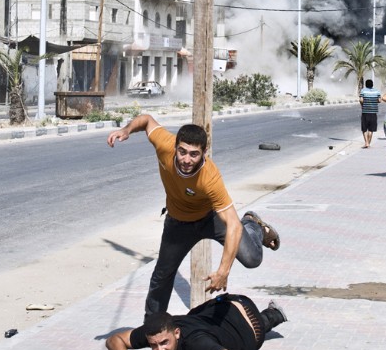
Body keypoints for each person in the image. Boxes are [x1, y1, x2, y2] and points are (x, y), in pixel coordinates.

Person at [107, 115, 281, 317]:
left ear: (203, 153)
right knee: (161, 276)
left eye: (193, 154)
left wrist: (223, 271)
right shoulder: (165, 144)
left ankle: (252, 224)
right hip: (178, 223)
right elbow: (146, 120)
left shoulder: (210, 178)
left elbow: (232, 224)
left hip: (210, 219)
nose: (186, 160)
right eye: (182, 152)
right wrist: (127, 130)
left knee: (252, 259)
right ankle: (152, 328)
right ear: (176, 147)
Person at [106, 293, 288, 350]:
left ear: (176, 333)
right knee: (195, 314)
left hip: (249, 326)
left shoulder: (196, 343)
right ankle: (273, 313)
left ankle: (272, 315)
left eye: (164, 343)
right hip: (217, 312)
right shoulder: (157, 330)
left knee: (250, 335)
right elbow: (114, 340)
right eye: (154, 345)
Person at [358, 79, 382, 148]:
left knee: (364, 128)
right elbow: (379, 100)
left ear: (365, 84)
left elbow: (361, 100)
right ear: (372, 84)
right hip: (373, 112)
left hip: (365, 112)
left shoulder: (363, 91)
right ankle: (368, 143)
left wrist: (362, 104)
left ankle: (366, 142)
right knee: (371, 129)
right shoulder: (377, 91)